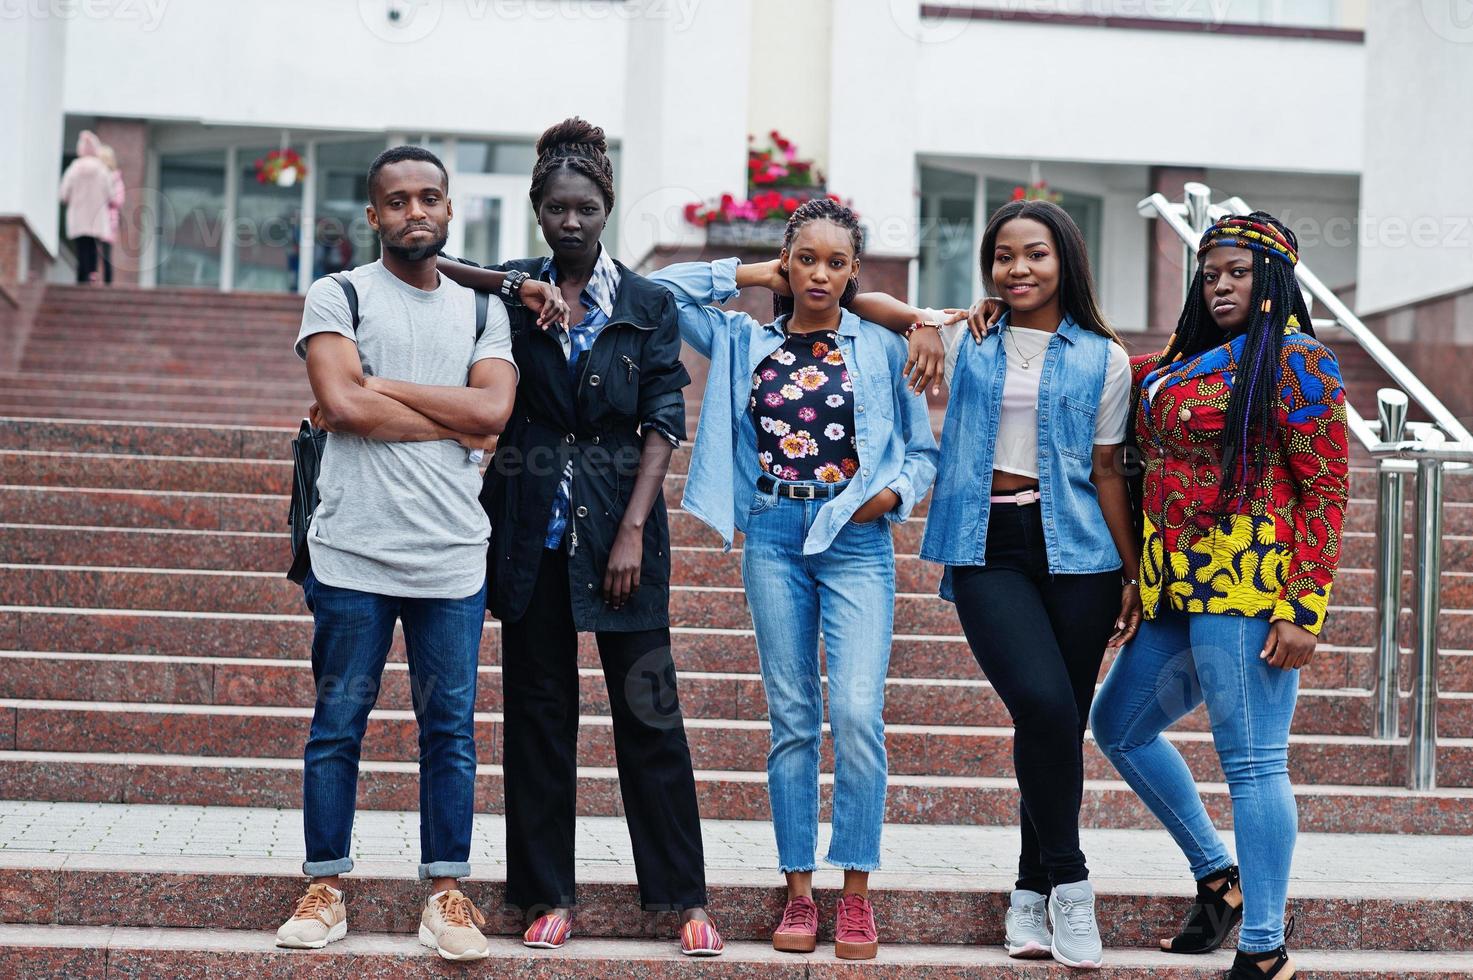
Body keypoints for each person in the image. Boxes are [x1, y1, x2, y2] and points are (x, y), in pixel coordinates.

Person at [435, 118, 724, 958]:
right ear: (536, 210)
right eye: (555, 208)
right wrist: (512, 285)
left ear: (606, 211)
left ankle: (682, 900)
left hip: (621, 538)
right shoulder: (512, 292)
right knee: (537, 719)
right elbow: (433, 267)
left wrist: (633, 529)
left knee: (650, 719)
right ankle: (543, 896)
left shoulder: (646, 303)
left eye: (586, 208)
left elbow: (664, 419)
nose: (570, 222)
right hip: (528, 539)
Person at [650, 198, 939, 961]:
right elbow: (658, 291)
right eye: (803, 259)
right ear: (785, 263)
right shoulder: (743, 338)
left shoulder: (880, 345)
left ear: (854, 273)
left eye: (835, 262)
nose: (818, 274)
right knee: (791, 719)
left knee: (853, 713)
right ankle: (799, 892)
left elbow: (922, 452)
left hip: (855, 539)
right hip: (773, 536)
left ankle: (855, 895)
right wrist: (747, 273)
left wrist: (888, 497)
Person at [859, 200, 1138, 969]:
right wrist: (920, 318)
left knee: (1054, 727)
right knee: (1043, 706)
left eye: (1035, 254)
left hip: (1079, 550)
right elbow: (855, 297)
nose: (1017, 269)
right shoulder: (966, 332)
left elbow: (1109, 470)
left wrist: (1132, 571)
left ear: (1064, 263)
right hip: (985, 545)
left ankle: (1027, 894)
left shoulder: (1102, 358)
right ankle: (1071, 885)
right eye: (1003, 255)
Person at [274, 145, 519, 962]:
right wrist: (457, 419)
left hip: (451, 555)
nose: (415, 211)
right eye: (397, 200)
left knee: (449, 728)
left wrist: (387, 391)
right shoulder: (337, 294)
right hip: (351, 552)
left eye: (429, 198)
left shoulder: (485, 312)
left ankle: (445, 893)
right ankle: (325, 886)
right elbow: (339, 404)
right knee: (337, 722)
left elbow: (496, 414)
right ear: (373, 215)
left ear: (450, 211)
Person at [1090, 212, 1350, 980]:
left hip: (1249, 589)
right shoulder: (1177, 362)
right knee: (1118, 726)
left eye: (1237, 272)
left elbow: (1327, 489)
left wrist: (1301, 607)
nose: (1221, 285)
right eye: (1210, 274)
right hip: (1175, 592)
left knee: (1253, 762)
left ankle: (1265, 946)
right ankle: (1218, 875)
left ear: (1271, 279)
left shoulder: (1298, 361)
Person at [57, 131, 114, 285]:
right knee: (93, 250)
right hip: (96, 217)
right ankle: (91, 277)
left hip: (78, 216)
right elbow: (111, 194)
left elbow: (63, 193)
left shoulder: (74, 169)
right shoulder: (102, 170)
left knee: (81, 249)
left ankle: (81, 279)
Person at [96, 144, 126, 285]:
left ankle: (108, 285)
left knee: (106, 255)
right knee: (93, 254)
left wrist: (106, 196)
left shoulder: (116, 179)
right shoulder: (95, 176)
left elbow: (119, 200)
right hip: (94, 220)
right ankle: (92, 282)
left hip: (109, 221)